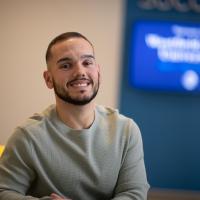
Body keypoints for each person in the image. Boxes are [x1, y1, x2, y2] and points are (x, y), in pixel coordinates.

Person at [0, 32, 150, 200]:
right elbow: (4, 192)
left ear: (98, 72)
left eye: (87, 62)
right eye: (66, 65)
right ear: (48, 79)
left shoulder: (126, 131)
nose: (80, 72)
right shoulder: (27, 136)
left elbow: (134, 194)